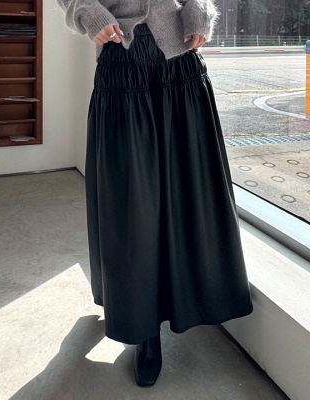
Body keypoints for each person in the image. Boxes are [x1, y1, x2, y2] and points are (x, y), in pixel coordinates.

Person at [56, 0, 253, 387]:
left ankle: (196, 300)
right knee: (132, 207)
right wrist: (88, 12)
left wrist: (199, 11)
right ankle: (144, 329)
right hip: (121, 55)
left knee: (194, 190)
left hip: (181, 57)